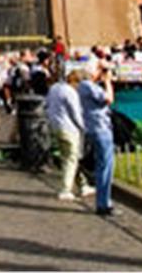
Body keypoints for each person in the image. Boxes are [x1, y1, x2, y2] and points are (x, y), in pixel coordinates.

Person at [45, 67, 91, 201]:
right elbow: (75, 113)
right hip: (69, 128)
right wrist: (83, 128)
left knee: (69, 157)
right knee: (71, 158)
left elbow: (47, 105)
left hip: (55, 126)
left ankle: (82, 184)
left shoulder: (54, 88)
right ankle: (65, 189)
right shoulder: (71, 93)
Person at [78, 58, 116, 217]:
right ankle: (103, 203)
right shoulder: (89, 86)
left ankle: (103, 201)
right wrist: (107, 82)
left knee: (102, 165)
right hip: (100, 128)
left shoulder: (83, 86)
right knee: (105, 166)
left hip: (93, 128)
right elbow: (109, 99)